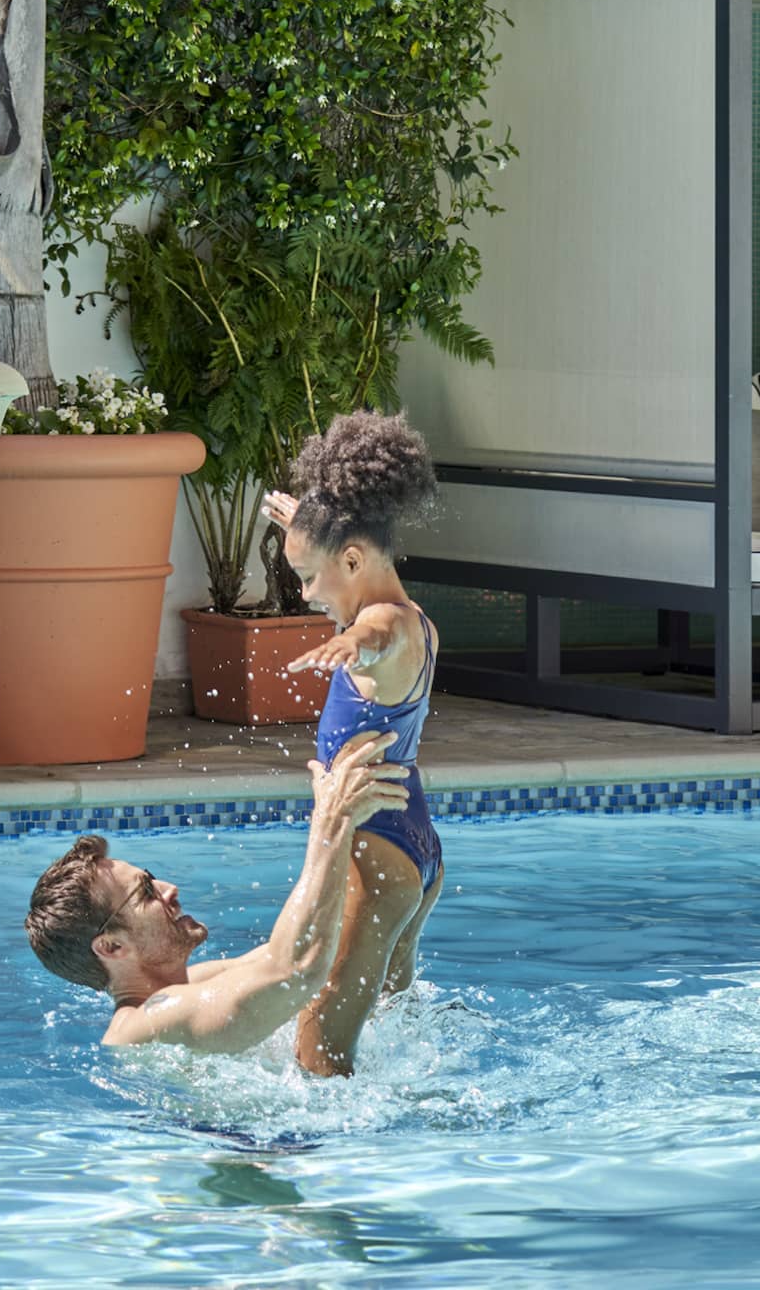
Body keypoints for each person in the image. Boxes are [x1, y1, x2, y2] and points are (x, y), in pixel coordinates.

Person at [24, 730, 411, 1053]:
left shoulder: (190, 983)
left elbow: (325, 949)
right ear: (111, 947)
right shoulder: (149, 1021)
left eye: (151, 878)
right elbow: (295, 970)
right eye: (145, 893)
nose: (169, 889)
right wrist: (332, 822)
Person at [260, 408, 444, 1078]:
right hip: (413, 848)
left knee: (323, 1034)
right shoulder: (414, 614)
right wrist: (302, 525)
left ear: (353, 559)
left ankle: (323, 1161)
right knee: (391, 1027)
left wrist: (348, 642)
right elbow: (366, 594)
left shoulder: (384, 626)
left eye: (310, 578)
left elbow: (377, 635)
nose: (307, 595)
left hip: (379, 859)